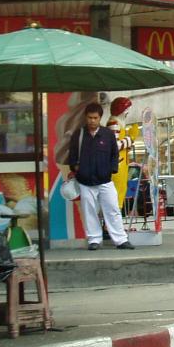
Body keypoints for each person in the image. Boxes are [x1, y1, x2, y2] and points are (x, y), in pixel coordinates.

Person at [65, 102, 134, 251]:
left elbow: (114, 154)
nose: (92, 121)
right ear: (85, 117)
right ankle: (94, 240)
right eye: (90, 118)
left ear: (100, 118)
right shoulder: (79, 134)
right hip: (85, 181)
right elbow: (72, 154)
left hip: (105, 180)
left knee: (113, 209)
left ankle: (121, 240)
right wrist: (76, 168)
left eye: (95, 118)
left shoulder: (108, 134)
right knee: (89, 211)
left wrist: (112, 169)